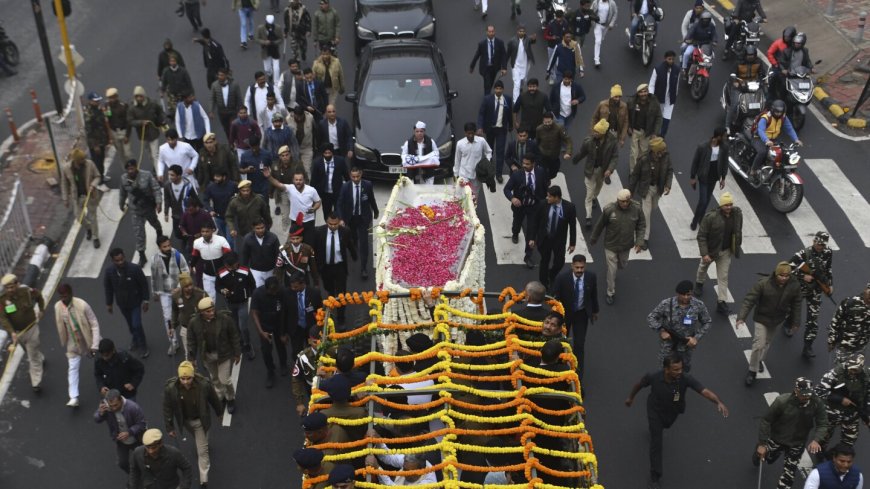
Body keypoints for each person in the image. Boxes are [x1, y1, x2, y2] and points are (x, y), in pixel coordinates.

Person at [625, 354, 729, 489]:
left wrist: (718, 402)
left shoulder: (685, 378)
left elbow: (704, 391)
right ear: (666, 369)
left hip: (673, 411)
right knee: (656, 442)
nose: (680, 372)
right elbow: (639, 385)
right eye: (676, 369)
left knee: (666, 426)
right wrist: (630, 398)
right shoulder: (653, 376)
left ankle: (656, 430)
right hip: (655, 411)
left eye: (680, 368)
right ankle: (655, 476)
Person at [754, 377, 828, 489]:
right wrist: (762, 444)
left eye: (809, 394)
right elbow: (766, 420)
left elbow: (823, 423)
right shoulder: (782, 401)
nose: (806, 397)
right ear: (796, 390)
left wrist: (816, 440)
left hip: (797, 444)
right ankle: (757, 453)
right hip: (776, 439)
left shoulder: (816, 403)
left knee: (788, 477)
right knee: (767, 458)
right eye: (803, 394)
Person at [738, 261, 802, 386]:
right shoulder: (763, 283)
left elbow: (797, 304)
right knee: (759, 344)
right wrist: (741, 317)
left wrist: (796, 322)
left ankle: (760, 360)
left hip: (777, 319)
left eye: (787, 276)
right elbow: (749, 300)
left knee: (767, 342)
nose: (784, 278)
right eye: (781, 275)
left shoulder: (794, 286)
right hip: (762, 317)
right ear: (776, 274)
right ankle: (752, 371)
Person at [163, 361, 223, 486]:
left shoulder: (204, 385)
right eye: (182, 378)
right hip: (185, 421)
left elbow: (213, 399)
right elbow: (167, 407)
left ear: (193, 375)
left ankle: (204, 480)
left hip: (200, 421)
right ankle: (204, 441)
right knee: (199, 439)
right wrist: (169, 427)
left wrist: (219, 413)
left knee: (202, 452)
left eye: (188, 378)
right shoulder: (171, 388)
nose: (185, 382)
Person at [589, 189, 645, 305]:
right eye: (622, 201)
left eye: (626, 201)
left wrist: (639, 242)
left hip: (626, 245)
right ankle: (610, 292)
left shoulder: (637, 209)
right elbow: (600, 225)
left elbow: (641, 225)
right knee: (612, 270)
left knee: (623, 264)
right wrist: (594, 238)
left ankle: (612, 271)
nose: (624, 204)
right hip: (611, 244)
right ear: (618, 200)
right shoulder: (609, 210)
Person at [188, 297, 241, 413]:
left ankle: (230, 398)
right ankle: (221, 396)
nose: (212, 313)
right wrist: (191, 358)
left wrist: (237, 353)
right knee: (215, 379)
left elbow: (234, 335)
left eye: (212, 309)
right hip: (207, 356)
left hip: (224, 354)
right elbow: (191, 341)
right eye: (208, 311)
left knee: (225, 379)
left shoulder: (224, 319)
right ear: (201, 312)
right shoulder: (194, 323)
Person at [786, 231, 834, 358]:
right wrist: (802, 276)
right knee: (792, 310)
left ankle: (807, 346)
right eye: (818, 244)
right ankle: (788, 322)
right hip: (800, 289)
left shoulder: (828, 252)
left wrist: (830, 284)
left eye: (822, 245)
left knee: (813, 320)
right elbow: (787, 268)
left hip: (816, 290)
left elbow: (828, 269)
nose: (820, 247)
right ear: (814, 241)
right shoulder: (803, 254)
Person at [647, 280, 712, 373]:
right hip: (668, 345)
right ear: (677, 293)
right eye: (683, 295)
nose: (686, 297)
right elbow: (651, 317)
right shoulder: (666, 304)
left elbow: (707, 322)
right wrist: (661, 331)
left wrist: (696, 338)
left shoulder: (698, 305)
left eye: (688, 294)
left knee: (683, 370)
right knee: (664, 369)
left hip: (685, 346)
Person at [694, 192, 742, 314]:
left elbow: (737, 230)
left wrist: (735, 246)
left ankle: (721, 302)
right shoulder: (710, 217)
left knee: (723, 276)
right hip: (710, 251)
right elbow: (702, 236)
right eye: (726, 205)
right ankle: (699, 283)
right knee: (702, 268)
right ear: (721, 205)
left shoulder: (737, 214)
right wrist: (705, 254)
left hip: (725, 251)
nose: (729, 207)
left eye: (730, 204)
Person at [53, 283, 101, 406]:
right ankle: (73, 397)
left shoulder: (82, 305)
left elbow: (94, 324)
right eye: (61, 296)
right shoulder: (58, 307)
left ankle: (106, 384)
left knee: (101, 362)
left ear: (71, 293)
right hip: (73, 343)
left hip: (89, 340)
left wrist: (95, 345)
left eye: (66, 296)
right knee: (73, 368)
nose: (64, 299)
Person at [552, 255, 598, 380]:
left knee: (579, 344)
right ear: (572, 266)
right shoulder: (562, 278)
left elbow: (594, 295)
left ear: (585, 266)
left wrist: (595, 311)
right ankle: (560, 366)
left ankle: (578, 373)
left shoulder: (591, 277)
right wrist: (556, 315)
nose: (579, 270)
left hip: (581, 314)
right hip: (565, 314)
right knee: (561, 341)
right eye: (577, 267)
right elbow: (555, 298)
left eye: (582, 267)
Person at [0, 273, 45, 392]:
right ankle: (40, 357)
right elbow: (3, 318)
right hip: (18, 334)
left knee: (32, 356)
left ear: (17, 284)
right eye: (7, 288)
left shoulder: (26, 291)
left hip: (31, 329)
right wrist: (12, 332)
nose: (10, 290)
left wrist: (41, 310)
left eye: (12, 287)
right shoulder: (3, 300)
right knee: (30, 351)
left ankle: (36, 383)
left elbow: (39, 296)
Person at [815, 354, 870, 450]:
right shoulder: (835, 373)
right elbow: (819, 390)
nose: (852, 371)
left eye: (855, 369)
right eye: (850, 368)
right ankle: (821, 454)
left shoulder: (867, 375)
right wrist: (840, 399)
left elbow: (868, 395)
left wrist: (867, 413)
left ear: (861, 367)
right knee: (823, 437)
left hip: (852, 413)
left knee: (849, 440)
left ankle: (837, 455)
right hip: (832, 412)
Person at [504, 154, 549, 269]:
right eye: (523, 163)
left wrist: (545, 203)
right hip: (520, 206)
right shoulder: (517, 175)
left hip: (534, 207)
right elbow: (507, 189)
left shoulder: (541, 172)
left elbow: (545, 187)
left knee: (531, 231)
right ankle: (515, 233)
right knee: (517, 223)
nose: (524, 165)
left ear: (533, 164)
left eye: (527, 164)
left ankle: (528, 255)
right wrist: (512, 198)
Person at [104, 249, 151, 358]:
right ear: (113, 261)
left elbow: (144, 284)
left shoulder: (135, 269)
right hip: (122, 304)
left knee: (136, 324)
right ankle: (135, 338)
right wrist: (109, 303)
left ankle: (143, 345)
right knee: (130, 325)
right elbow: (108, 288)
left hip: (135, 302)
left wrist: (146, 300)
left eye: (122, 259)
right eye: (117, 261)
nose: (121, 262)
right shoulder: (109, 272)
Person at [628, 136, 672, 250]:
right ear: (655, 151)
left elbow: (670, 170)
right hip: (646, 189)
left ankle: (639, 220)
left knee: (654, 207)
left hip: (658, 188)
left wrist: (668, 185)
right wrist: (630, 191)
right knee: (646, 214)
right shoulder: (643, 159)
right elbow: (635, 176)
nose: (664, 152)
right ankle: (644, 239)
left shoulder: (666, 157)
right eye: (662, 151)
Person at [572, 119, 618, 229]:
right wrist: (576, 160)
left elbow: (615, 157)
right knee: (589, 193)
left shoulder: (612, 141)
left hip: (602, 170)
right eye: (594, 131)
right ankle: (588, 217)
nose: (594, 133)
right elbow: (583, 152)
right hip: (590, 170)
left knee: (598, 188)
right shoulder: (589, 141)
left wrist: (610, 169)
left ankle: (594, 198)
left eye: (597, 132)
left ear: (603, 133)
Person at [336, 167, 379, 280]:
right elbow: (339, 204)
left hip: (363, 218)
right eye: (353, 177)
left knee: (364, 244)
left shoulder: (368, 185)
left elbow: (372, 199)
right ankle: (354, 242)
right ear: (350, 176)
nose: (355, 179)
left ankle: (363, 268)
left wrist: (376, 211)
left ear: (361, 175)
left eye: (357, 176)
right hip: (349, 218)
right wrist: (340, 219)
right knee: (352, 236)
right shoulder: (345, 187)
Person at [528, 186, 577, 288]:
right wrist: (532, 238)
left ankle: (552, 274)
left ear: (557, 197)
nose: (547, 198)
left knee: (560, 262)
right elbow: (535, 222)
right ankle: (544, 282)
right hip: (545, 238)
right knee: (544, 260)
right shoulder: (543, 204)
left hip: (559, 240)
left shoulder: (569, 208)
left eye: (550, 197)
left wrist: (572, 243)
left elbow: (572, 226)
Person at [150, 236, 190, 356]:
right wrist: (155, 292)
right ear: (159, 247)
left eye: (168, 245)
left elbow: (185, 271)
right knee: (167, 318)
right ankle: (173, 342)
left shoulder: (178, 256)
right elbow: (154, 276)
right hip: (164, 293)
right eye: (164, 246)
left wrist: (179, 286)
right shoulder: (155, 259)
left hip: (178, 291)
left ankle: (189, 339)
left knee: (184, 314)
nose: (167, 248)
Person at [95, 389, 147, 476]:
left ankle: (147, 474)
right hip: (121, 441)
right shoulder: (106, 407)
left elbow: (142, 423)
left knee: (143, 459)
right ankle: (134, 476)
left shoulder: (133, 407)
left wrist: (129, 432)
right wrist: (100, 413)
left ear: (121, 400)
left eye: (116, 405)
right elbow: (97, 419)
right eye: (111, 406)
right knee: (122, 463)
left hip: (137, 439)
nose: (114, 408)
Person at [251, 276, 291, 387]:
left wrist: (284, 332)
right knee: (266, 351)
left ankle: (283, 364)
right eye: (272, 291)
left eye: (276, 291)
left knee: (281, 346)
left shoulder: (282, 291)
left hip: (279, 323)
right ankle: (270, 371)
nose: (275, 293)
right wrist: (261, 332)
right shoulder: (257, 294)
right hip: (264, 326)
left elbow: (285, 311)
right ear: (266, 288)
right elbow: (254, 313)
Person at [263, 168, 321, 244]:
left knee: (308, 244)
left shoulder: (311, 190)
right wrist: (269, 177)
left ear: (304, 180)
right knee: (294, 243)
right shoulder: (290, 188)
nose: (298, 182)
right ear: (293, 180)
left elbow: (318, 201)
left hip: (309, 221)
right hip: (295, 221)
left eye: (300, 180)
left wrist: (313, 209)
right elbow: (278, 184)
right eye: (296, 180)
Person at [216, 251, 257, 360]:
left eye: (232, 265)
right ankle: (238, 342)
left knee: (243, 325)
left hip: (243, 303)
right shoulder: (221, 273)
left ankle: (247, 344)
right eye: (228, 266)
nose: (230, 268)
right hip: (229, 303)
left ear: (237, 262)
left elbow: (252, 285)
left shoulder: (245, 271)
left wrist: (249, 295)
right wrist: (222, 290)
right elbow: (217, 286)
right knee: (234, 324)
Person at [749, 100, 803, 180]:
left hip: (773, 139)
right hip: (759, 138)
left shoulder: (783, 118)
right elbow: (760, 130)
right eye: (777, 112)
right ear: (772, 110)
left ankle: (773, 169)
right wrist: (766, 140)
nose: (779, 114)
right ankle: (753, 171)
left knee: (782, 152)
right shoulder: (766, 117)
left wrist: (796, 139)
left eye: (780, 112)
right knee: (762, 152)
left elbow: (789, 128)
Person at [61, 148, 103, 248]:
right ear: (75, 161)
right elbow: (64, 183)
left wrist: (93, 185)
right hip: (77, 197)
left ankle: (95, 236)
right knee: (78, 216)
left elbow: (98, 176)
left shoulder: (90, 164)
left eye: (84, 159)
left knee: (93, 217)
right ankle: (88, 228)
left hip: (90, 196)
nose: (84, 161)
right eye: (81, 160)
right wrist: (65, 198)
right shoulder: (67, 168)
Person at [314, 214, 358, 311]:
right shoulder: (319, 232)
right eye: (330, 224)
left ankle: (341, 317)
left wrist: (354, 255)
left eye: (335, 224)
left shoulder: (345, 231)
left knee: (341, 294)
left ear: (339, 222)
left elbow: (349, 245)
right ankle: (332, 305)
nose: (333, 226)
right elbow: (315, 248)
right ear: (326, 222)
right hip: (325, 267)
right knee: (329, 289)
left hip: (340, 267)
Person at [688, 128, 728, 231]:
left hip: (714, 177)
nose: (725, 138)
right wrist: (693, 177)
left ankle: (701, 219)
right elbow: (695, 162)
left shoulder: (724, 148)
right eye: (724, 136)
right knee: (703, 201)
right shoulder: (703, 147)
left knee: (707, 201)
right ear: (718, 136)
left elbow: (724, 163)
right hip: (704, 176)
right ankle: (695, 221)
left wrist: (723, 178)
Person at [477, 81, 513, 182]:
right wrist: (480, 127)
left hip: (501, 130)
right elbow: (481, 114)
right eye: (496, 88)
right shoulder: (487, 99)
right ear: (494, 89)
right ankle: (489, 170)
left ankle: (499, 174)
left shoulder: (508, 99)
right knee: (490, 151)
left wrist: (511, 125)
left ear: (503, 89)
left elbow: (510, 113)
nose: (498, 90)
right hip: (490, 130)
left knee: (500, 152)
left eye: (500, 88)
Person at [827, 284, 870, 364]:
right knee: (841, 371)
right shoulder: (850, 302)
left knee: (855, 371)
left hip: (861, 347)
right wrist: (831, 340)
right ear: (865, 290)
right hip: (844, 346)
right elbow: (836, 320)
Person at [287, 272, 323, 365]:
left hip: (310, 329)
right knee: (296, 351)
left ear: (303, 284)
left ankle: (312, 365)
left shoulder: (314, 293)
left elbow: (320, 310)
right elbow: (285, 313)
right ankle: (299, 366)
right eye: (292, 287)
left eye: (296, 287)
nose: (293, 289)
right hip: (296, 328)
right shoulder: (288, 293)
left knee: (311, 348)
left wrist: (319, 326)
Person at [170, 273, 208, 359]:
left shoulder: (201, 294)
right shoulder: (176, 296)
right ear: (182, 287)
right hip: (185, 328)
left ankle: (206, 363)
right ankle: (192, 370)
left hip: (200, 327)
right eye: (187, 286)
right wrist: (172, 326)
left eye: (191, 285)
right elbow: (175, 311)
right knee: (189, 354)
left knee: (204, 350)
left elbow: (209, 308)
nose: (190, 288)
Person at [627, 84, 662, 173]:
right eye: (641, 92)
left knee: (643, 152)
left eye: (645, 91)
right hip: (635, 130)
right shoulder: (632, 101)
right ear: (638, 93)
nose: (643, 94)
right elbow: (627, 116)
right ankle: (633, 172)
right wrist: (629, 127)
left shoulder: (654, 102)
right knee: (633, 153)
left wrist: (655, 133)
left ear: (648, 92)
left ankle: (639, 168)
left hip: (647, 132)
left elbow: (659, 117)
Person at [225, 180, 272, 246]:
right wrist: (232, 228)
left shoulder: (258, 199)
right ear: (240, 191)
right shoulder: (234, 202)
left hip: (258, 231)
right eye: (243, 191)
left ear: (251, 190)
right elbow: (229, 216)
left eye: (247, 190)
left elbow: (266, 214)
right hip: (243, 231)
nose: (246, 193)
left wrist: (267, 226)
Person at [191, 222, 231, 299]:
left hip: (223, 273)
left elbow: (229, 255)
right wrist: (192, 266)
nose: (205, 234)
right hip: (208, 275)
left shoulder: (221, 240)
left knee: (228, 295)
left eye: (207, 231)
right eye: (203, 231)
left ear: (212, 231)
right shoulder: (197, 243)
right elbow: (195, 256)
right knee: (210, 299)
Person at [128, 86, 165, 168]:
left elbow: (160, 111)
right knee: (149, 153)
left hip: (153, 132)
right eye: (137, 96)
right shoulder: (132, 107)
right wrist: (140, 122)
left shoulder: (152, 103)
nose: (139, 98)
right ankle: (155, 167)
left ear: (144, 95)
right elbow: (130, 121)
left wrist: (161, 121)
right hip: (143, 135)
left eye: (140, 96)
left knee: (155, 154)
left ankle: (159, 174)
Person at [310, 143, 350, 220]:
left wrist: (349, 188)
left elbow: (346, 176)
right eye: (325, 153)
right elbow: (314, 180)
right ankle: (329, 228)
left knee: (338, 213)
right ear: (322, 153)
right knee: (326, 213)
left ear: (332, 153)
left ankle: (337, 228)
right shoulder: (317, 163)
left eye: (329, 153)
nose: (327, 155)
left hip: (337, 192)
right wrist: (311, 194)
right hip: (325, 194)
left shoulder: (340, 161)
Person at [277, 216, 320, 287]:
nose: (295, 241)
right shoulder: (284, 249)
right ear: (290, 238)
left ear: (302, 238)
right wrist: (278, 283)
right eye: (293, 239)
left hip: (303, 279)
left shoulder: (308, 249)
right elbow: (279, 268)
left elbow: (313, 268)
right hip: (289, 279)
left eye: (297, 238)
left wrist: (316, 283)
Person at [454, 122, 493, 198]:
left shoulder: (481, 141)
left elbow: (489, 152)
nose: (470, 136)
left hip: (477, 176)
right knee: (463, 196)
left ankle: (473, 210)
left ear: (475, 132)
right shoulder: (460, 144)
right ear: (465, 133)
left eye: (472, 133)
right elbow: (457, 160)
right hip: (464, 175)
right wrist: (456, 175)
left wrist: (487, 162)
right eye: (468, 134)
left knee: (474, 197)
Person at [271, 145, 307, 226]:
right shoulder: (275, 166)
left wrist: (305, 192)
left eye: (287, 155)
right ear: (280, 157)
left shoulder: (297, 164)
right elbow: (272, 179)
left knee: (297, 215)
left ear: (290, 155)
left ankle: (297, 235)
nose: (285, 157)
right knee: (286, 216)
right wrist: (270, 192)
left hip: (296, 192)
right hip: (283, 193)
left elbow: (305, 178)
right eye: (282, 156)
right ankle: (286, 236)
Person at [201, 170, 238, 248]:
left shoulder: (233, 185)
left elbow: (240, 196)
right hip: (218, 217)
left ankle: (233, 257)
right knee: (223, 239)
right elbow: (205, 200)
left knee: (230, 240)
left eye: (218, 176)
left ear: (224, 177)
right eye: (215, 176)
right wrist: (210, 210)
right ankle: (227, 256)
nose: (215, 178)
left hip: (230, 217)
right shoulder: (211, 187)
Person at [239, 218, 280, 287]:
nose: (260, 230)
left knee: (271, 289)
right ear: (253, 228)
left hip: (271, 270)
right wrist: (244, 270)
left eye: (262, 227)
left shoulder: (273, 238)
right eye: (258, 228)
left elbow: (278, 254)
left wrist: (277, 269)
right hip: (255, 271)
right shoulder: (247, 239)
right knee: (258, 290)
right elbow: (245, 255)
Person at [163, 165, 198, 242]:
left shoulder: (187, 185)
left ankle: (189, 243)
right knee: (177, 234)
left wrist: (198, 208)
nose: (170, 177)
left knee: (189, 231)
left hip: (187, 213)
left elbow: (195, 198)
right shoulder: (167, 185)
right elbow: (167, 199)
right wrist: (166, 213)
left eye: (172, 175)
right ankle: (185, 239)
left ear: (179, 176)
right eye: (169, 174)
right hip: (176, 215)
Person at [648, 51, 680, 137]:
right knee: (657, 118)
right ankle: (653, 134)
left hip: (669, 99)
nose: (671, 61)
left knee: (666, 119)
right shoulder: (657, 69)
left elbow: (677, 83)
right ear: (665, 59)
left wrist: (675, 95)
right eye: (669, 59)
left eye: (673, 59)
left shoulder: (677, 69)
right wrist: (651, 97)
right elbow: (651, 85)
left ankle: (662, 136)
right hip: (658, 98)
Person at [469, 25, 507, 95]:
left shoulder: (500, 43)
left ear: (494, 32)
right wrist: (472, 66)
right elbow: (477, 55)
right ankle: (487, 99)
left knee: (491, 83)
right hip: (485, 68)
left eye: (492, 31)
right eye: (489, 32)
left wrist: (504, 68)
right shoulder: (482, 44)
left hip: (494, 67)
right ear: (486, 32)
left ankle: (488, 93)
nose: (491, 33)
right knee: (487, 84)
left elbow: (503, 55)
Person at [535, 112, 572, 179]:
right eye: (545, 122)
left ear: (552, 120)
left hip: (554, 156)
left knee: (553, 173)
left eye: (549, 122)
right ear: (543, 121)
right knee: (542, 174)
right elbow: (537, 141)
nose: (547, 124)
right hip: (543, 156)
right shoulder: (539, 129)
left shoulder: (559, 128)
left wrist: (568, 152)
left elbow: (568, 140)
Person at [84, 91, 111, 182]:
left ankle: (101, 176)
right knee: (96, 162)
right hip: (95, 142)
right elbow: (89, 131)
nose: (97, 102)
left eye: (98, 100)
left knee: (101, 159)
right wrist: (95, 145)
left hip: (101, 140)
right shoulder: (89, 113)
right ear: (90, 101)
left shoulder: (98, 109)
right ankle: (97, 179)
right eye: (95, 101)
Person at [209, 69, 242, 139]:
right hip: (222, 112)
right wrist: (211, 110)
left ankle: (236, 142)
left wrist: (240, 110)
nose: (219, 77)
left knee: (233, 127)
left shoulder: (234, 84)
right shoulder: (214, 85)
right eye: (219, 75)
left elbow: (239, 98)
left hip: (233, 111)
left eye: (222, 75)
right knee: (226, 129)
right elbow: (212, 98)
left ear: (226, 75)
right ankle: (231, 143)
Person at [507, 24, 536, 103]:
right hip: (515, 65)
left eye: (523, 31)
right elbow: (508, 53)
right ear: (517, 32)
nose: (522, 33)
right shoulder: (512, 41)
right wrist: (504, 66)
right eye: (520, 31)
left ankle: (521, 87)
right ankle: (516, 101)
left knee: (523, 80)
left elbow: (532, 40)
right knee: (516, 83)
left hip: (525, 64)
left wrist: (534, 38)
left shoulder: (527, 39)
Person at [238, 134, 272, 202]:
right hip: (252, 186)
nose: (253, 149)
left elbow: (272, 167)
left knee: (265, 206)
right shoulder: (245, 155)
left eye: (255, 147)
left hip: (264, 185)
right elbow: (240, 170)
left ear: (259, 144)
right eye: (252, 147)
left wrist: (269, 173)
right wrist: (246, 170)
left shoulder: (267, 154)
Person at [160, 56, 194, 122]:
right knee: (173, 108)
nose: (172, 63)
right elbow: (164, 82)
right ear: (169, 62)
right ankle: (175, 118)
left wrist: (191, 93)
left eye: (174, 61)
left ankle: (184, 118)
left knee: (184, 107)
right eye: (171, 61)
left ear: (176, 62)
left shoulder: (183, 71)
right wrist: (162, 91)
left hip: (182, 93)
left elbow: (188, 82)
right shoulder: (166, 71)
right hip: (172, 93)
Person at [105, 87, 133, 165]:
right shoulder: (107, 107)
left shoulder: (123, 106)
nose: (111, 100)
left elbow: (128, 121)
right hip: (114, 132)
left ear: (116, 96)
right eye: (109, 98)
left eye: (112, 97)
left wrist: (127, 135)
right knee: (120, 153)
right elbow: (107, 120)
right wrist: (109, 136)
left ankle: (133, 168)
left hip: (123, 131)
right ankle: (126, 171)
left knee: (128, 153)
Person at [288, 105, 316, 173]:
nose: (299, 118)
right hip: (293, 149)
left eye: (301, 116)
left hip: (307, 148)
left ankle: (307, 183)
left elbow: (315, 131)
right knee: (294, 171)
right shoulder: (288, 119)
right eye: (297, 116)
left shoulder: (310, 117)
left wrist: (315, 146)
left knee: (307, 171)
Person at [543, 10, 569, 83]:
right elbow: (545, 36)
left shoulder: (565, 23)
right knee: (551, 62)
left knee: (559, 62)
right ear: (555, 16)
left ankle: (559, 77)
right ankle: (551, 77)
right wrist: (552, 38)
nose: (559, 19)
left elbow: (567, 33)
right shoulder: (550, 24)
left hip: (561, 46)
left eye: (560, 17)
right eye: (557, 17)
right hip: (551, 46)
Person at [590, 0, 618, 67]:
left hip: (606, 26)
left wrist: (611, 23)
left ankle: (597, 53)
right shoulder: (596, 2)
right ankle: (597, 60)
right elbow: (590, 11)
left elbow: (615, 13)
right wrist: (592, 19)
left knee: (601, 39)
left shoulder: (612, 3)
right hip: (597, 25)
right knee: (598, 41)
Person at [255, 15, 282, 83]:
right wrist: (264, 42)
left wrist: (274, 42)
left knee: (276, 68)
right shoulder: (260, 28)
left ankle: (276, 83)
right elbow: (257, 39)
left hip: (275, 50)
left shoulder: (278, 28)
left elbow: (281, 39)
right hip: (265, 51)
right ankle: (270, 74)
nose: (270, 25)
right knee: (267, 69)